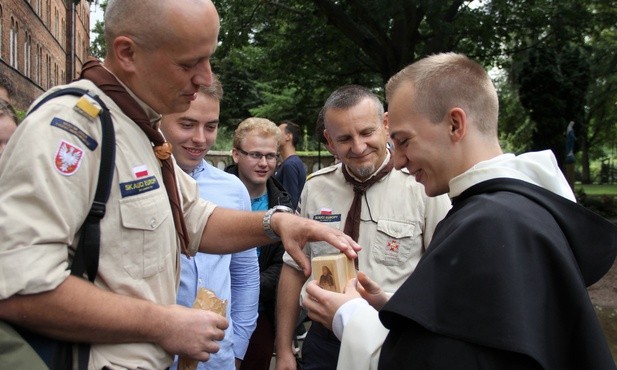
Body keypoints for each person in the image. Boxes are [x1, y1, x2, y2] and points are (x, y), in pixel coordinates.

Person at [0, 1, 359, 369]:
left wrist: (278, 223)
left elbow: (195, 218)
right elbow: (20, 290)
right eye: (188, 63)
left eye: (208, 59)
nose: (205, 78)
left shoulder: (139, 128)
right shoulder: (73, 129)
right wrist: (162, 323)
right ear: (127, 53)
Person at [303, 52, 617, 370]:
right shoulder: (516, 212)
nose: (397, 160)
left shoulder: (489, 226)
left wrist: (350, 316)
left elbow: (441, 360)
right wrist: (392, 306)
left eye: (403, 140)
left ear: (455, 124)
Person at [274, 85, 451, 370]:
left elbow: (444, 276)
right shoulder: (315, 188)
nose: (357, 147)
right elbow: (294, 268)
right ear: (329, 142)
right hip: (324, 344)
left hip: (391, 342)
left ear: (385, 125)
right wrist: (282, 348)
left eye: (367, 133)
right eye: (344, 138)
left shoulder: (424, 188)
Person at [160, 76, 260, 370]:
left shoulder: (232, 189)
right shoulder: (137, 181)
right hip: (151, 354)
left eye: (211, 126)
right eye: (187, 124)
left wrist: (238, 343)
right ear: (161, 117)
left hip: (216, 358)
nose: (201, 138)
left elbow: (244, 274)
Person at [225, 117, 293, 370]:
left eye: (270, 156)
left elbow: (282, 264)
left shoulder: (283, 204)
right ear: (236, 154)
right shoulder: (211, 193)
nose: (264, 163)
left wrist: (248, 288)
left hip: (260, 314)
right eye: (255, 154)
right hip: (213, 307)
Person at [275, 120, 306, 210]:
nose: (274, 136)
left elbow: (290, 201)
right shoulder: (291, 162)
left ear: (288, 137)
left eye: (278, 133)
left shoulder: (290, 165)